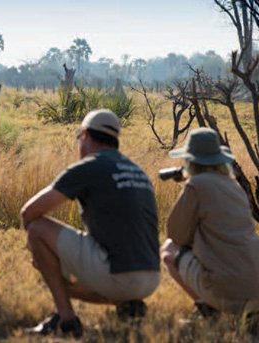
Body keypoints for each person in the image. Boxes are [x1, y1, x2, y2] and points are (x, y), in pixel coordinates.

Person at [20, 109, 160, 338]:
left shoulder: (89, 166)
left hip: (118, 276)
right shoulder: (138, 171)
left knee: (37, 229)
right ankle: (128, 305)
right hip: (151, 278)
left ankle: (65, 320)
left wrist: (47, 261)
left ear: (84, 135)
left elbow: (28, 213)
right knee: (58, 270)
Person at [160, 128, 259, 330]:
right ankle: (254, 313)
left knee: (168, 250)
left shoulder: (196, 185)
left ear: (191, 160)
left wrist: (188, 185)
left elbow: (176, 234)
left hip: (227, 291)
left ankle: (206, 309)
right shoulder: (234, 187)